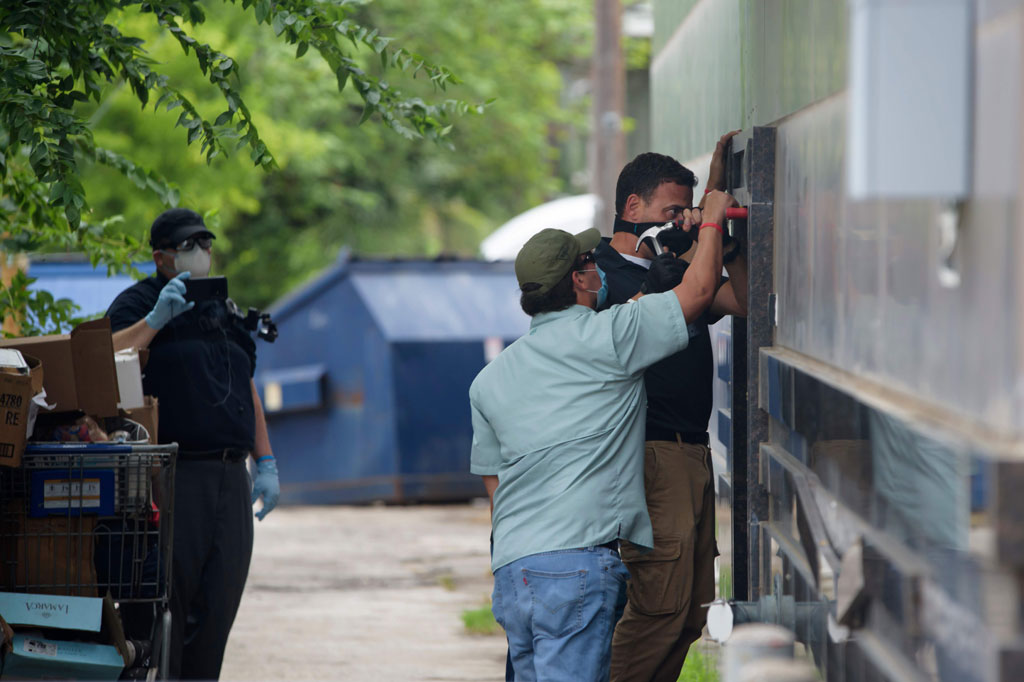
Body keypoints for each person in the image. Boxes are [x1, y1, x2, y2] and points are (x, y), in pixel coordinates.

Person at [469, 188, 734, 682]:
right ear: (579, 278)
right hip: (576, 568)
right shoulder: (609, 339)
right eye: (591, 262)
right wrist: (715, 221)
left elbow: (494, 483)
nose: (600, 269)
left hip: (513, 572)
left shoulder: (490, 379)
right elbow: (697, 295)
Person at [594, 136, 748, 682]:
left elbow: (743, 299)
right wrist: (708, 221)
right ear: (632, 208)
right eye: (670, 211)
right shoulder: (596, 278)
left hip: (692, 452)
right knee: (658, 607)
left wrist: (721, 236)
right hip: (650, 454)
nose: (679, 222)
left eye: (686, 211)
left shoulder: (674, 264)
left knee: (691, 611)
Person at [106, 208, 280, 680]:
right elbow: (105, 360)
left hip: (230, 476)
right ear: (161, 256)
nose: (200, 254)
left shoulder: (221, 308)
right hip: (174, 475)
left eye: (204, 244)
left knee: (219, 604)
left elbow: (245, 387)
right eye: (187, 247)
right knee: (168, 607)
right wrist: (156, 320)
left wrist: (264, 459)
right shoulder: (140, 302)